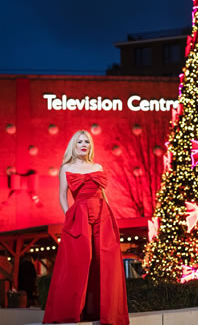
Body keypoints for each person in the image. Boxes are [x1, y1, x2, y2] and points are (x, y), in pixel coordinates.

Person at [43, 130, 129, 325]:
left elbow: (103, 194)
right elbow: (61, 195)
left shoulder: (97, 166)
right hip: (79, 214)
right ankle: (71, 313)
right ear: (74, 145)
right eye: (80, 142)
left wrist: (109, 213)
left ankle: (106, 313)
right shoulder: (66, 167)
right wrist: (69, 215)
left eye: (87, 142)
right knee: (83, 258)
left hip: (102, 214)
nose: (84, 145)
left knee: (104, 260)